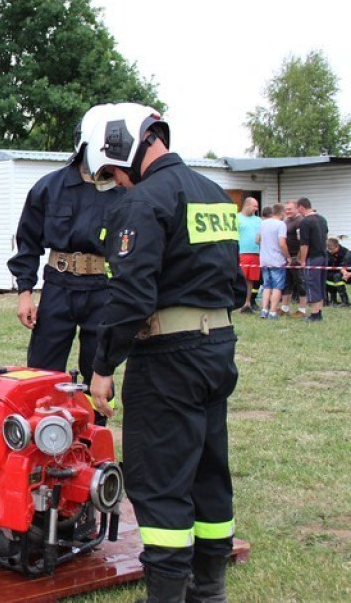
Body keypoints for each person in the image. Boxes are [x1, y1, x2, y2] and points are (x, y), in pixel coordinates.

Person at [82, 102, 244, 603]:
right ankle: (209, 590)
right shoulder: (213, 194)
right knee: (208, 471)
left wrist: (103, 366)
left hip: (168, 356)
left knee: (159, 481)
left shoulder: (144, 202)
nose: (116, 182)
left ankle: (168, 595)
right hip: (217, 346)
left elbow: (132, 298)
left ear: (120, 145)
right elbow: (235, 285)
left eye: (110, 171)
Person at [7, 115, 122, 425]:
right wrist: (24, 293)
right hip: (57, 287)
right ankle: (40, 434)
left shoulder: (124, 191)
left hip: (103, 290)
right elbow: (27, 242)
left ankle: (92, 439)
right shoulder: (50, 187)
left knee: (97, 368)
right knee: (42, 370)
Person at [295, 197, 328, 322]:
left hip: (313, 257)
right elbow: (325, 237)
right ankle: (319, 311)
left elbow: (304, 244)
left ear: (302, 207)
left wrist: (303, 260)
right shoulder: (322, 219)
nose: (299, 212)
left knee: (312, 284)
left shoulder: (305, 222)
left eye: (299, 209)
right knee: (320, 284)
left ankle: (314, 314)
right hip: (323, 256)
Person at [255, 204, 289, 319]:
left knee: (267, 286)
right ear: (282, 212)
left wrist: (266, 246)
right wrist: (287, 256)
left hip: (264, 259)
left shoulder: (263, 223)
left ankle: (264, 310)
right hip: (277, 259)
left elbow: (257, 240)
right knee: (277, 287)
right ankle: (273, 311)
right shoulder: (281, 224)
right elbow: (282, 243)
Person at [280, 201, 307, 317]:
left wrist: (299, 258)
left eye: (290, 209)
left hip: (297, 256)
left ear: (297, 208)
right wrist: (287, 257)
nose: (288, 211)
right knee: (287, 283)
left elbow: (303, 241)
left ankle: (302, 309)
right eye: (286, 209)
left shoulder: (300, 221)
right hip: (287, 256)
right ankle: (284, 308)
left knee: (300, 283)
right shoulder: (285, 221)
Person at [236, 196, 261, 313]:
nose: (256, 208)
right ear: (247, 205)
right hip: (241, 253)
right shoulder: (236, 218)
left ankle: (247, 303)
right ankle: (236, 302)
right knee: (239, 278)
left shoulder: (258, 220)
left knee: (251, 280)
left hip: (255, 253)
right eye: (254, 206)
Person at [324, 237, 350, 307]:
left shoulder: (345, 252)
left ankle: (345, 301)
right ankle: (330, 300)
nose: (330, 251)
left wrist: (346, 273)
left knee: (337, 276)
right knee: (326, 275)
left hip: (346, 273)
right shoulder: (327, 253)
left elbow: (344, 265)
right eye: (328, 249)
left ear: (337, 246)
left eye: (331, 249)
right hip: (337, 272)